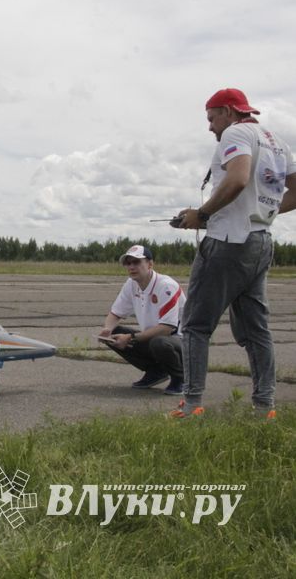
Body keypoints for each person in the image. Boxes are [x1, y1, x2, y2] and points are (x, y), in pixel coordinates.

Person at [172, 88, 296, 419]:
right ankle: (264, 407)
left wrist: (203, 214)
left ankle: (192, 404)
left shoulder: (237, 132)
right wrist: (261, 212)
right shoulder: (276, 140)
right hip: (260, 242)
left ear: (228, 111)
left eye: (212, 118)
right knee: (257, 330)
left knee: (195, 326)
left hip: (228, 242)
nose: (211, 127)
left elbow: (238, 178)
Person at [99, 245, 186, 395]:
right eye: (128, 263)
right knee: (114, 333)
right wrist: (107, 330)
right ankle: (156, 371)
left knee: (159, 342)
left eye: (137, 262)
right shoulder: (131, 284)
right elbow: (115, 313)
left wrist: (131, 338)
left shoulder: (166, 286)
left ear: (150, 264)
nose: (131, 267)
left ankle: (182, 378)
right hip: (155, 338)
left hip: (182, 341)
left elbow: (167, 328)